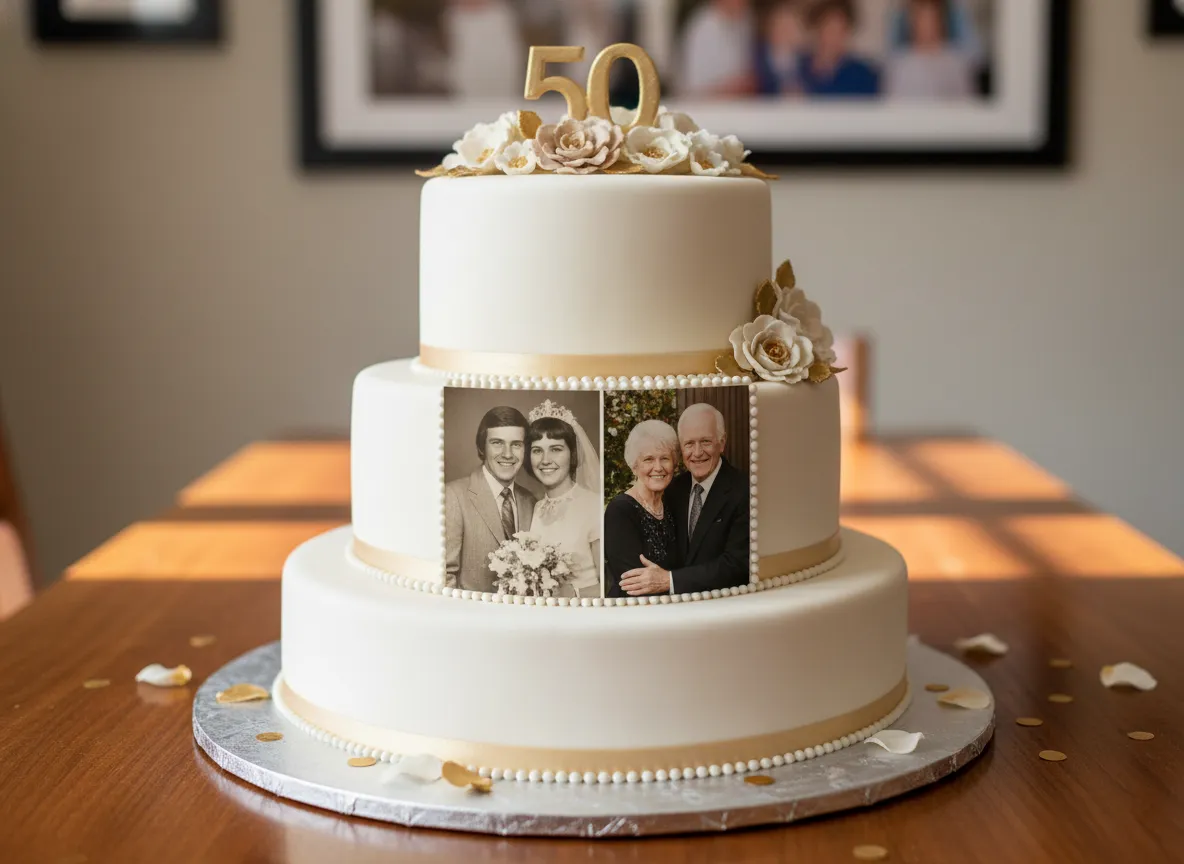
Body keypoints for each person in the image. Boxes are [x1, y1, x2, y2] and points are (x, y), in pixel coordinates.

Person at [618, 403, 749, 595]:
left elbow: (737, 564)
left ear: (722, 443)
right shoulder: (673, 489)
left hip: (722, 605)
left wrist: (670, 581)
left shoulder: (745, 490)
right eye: (689, 444)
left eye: (705, 441)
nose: (697, 452)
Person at [444, 406, 537, 593]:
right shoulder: (453, 496)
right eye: (497, 443)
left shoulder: (531, 501)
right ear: (482, 447)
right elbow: (444, 576)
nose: (507, 454)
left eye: (516, 444)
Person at [524, 401, 602, 599]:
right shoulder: (535, 507)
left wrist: (574, 594)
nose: (545, 460)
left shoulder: (593, 505)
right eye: (537, 450)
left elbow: (611, 584)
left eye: (556, 449)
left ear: (572, 454)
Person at [604, 420, 680, 598]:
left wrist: (669, 580)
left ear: (674, 463)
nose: (658, 467)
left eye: (665, 458)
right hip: (631, 610)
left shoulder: (674, 503)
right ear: (634, 466)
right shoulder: (620, 511)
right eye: (648, 459)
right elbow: (633, 584)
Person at [885, 0, 975, 100]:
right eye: (921, 19)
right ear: (912, 23)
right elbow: (890, 103)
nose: (927, 26)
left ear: (940, 22)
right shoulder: (900, 63)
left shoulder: (955, 62)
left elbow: (967, 101)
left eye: (931, 19)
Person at [797, 0, 880, 97]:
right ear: (817, 29)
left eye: (840, 30)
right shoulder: (797, 69)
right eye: (828, 28)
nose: (833, 37)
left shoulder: (863, 75)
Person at [678, 0, 757, 97]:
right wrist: (733, 88)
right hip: (709, 105)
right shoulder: (702, 28)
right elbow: (694, 91)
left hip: (743, 102)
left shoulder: (745, 22)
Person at [755, 1, 806, 96]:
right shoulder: (757, 58)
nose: (785, 31)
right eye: (780, 24)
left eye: (789, 26)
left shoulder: (805, 59)